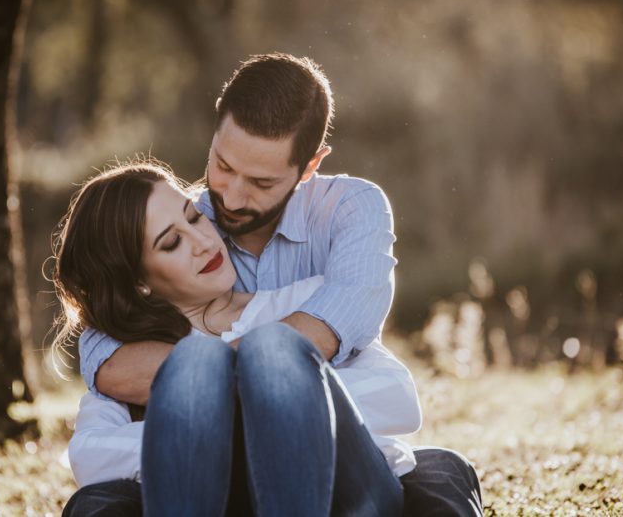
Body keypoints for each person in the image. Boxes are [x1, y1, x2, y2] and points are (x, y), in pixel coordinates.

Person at [63, 53, 483, 516]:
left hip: (343, 488)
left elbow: (391, 392)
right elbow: (103, 347)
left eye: (261, 182)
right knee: (200, 366)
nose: (229, 197)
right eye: (223, 165)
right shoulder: (193, 216)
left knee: (271, 351)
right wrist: (219, 391)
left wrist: (204, 418)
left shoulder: (339, 228)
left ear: (308, 168)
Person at [53, 162, 421, 515]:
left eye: (195, 217)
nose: (202, 240)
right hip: (215, 504)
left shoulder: (304, 302)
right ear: (139, 282)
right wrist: (222, 412)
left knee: (272, 348)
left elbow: (398, 397)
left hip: (347, 498)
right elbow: (89, 456)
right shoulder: (134, 358)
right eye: (171, 243)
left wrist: (223, 419)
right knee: (196, 364)